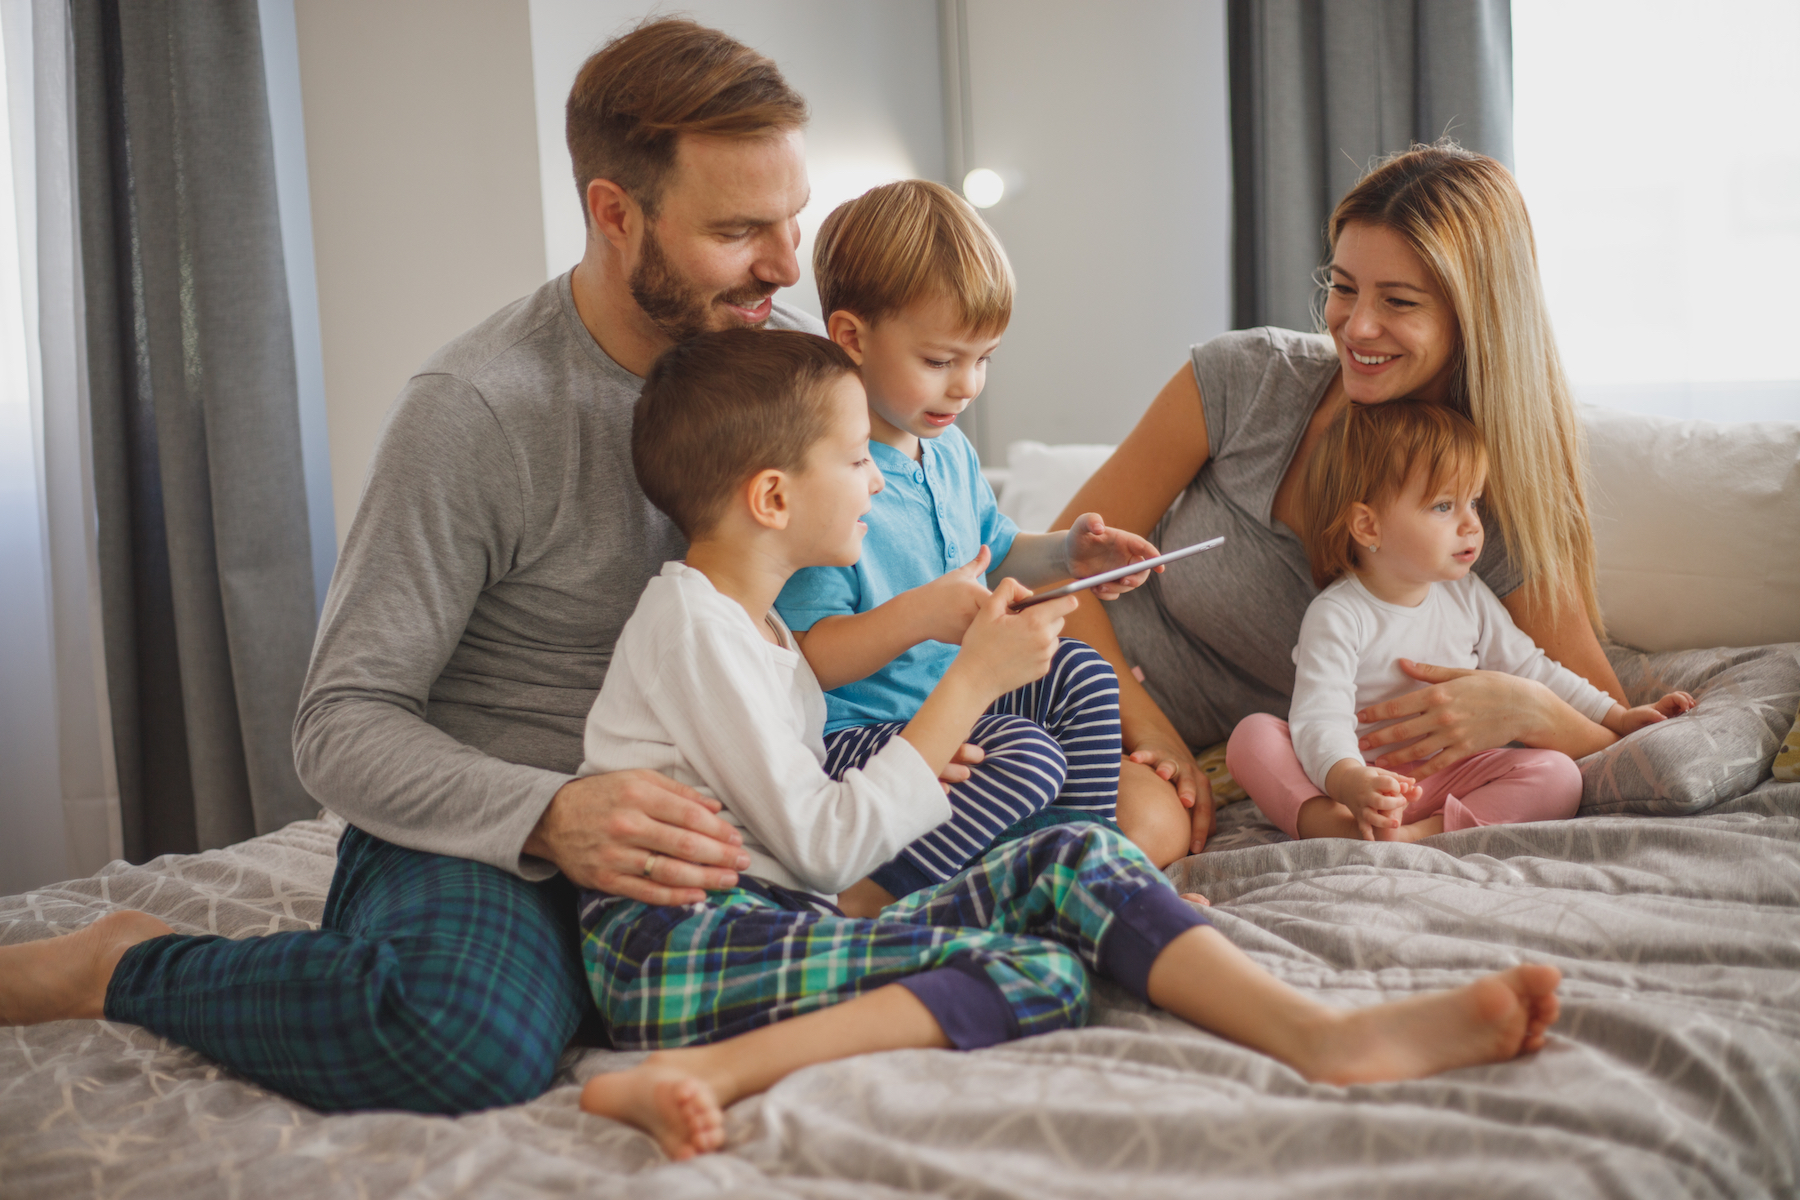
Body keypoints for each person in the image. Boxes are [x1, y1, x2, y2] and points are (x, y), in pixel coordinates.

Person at [0, 19, 890, 1113]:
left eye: (794, 218)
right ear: (616, 213)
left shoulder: (793, 366)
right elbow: (339, 722)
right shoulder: (478, 411)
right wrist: (553, 813)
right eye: (740, 230)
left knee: (1015, 811)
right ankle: (123, 964)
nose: (786, 265)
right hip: (498, 829)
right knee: (459, 1039)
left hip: (723, 809)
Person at [569, 326, 1565, 1162]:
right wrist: (967, 686)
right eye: (856, 457)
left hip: (774, 912)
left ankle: (1324, 1035)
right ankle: (708, 1069)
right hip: (679, 953)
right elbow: (826, 849)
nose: (876, 477)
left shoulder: (750, 626)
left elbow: (808, 826)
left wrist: (941, 639)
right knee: (1043, 965)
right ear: (774, 500)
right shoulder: (696, 632)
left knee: (1072, 879)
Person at [1054, 142, 1638, 861]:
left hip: (1204, 760)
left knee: (1142, 837)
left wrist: (1525, 707)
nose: (1356, 326)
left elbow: (1615, 731)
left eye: (1399, 301)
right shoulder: (1246, 381)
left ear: (1476, 317)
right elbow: (1060, 568)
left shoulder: (1486, 508)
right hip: (1087, 683)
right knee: (1137, 829)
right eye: (1343, 287)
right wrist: (1151, 732)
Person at [773, 181, 1167, 910]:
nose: (967, 386)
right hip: (858, 734)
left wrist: (1070, 557)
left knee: (1083, 674)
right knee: (1026, 756)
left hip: (953, 697)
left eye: (984, 359)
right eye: (939, 360)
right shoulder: (827, 478)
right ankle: (867, 902)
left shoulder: (948, 450)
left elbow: (994, 551)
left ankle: (1083, 865)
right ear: (853, 337)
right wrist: (920, 615)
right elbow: (806, 661)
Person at [1227, 401, 1695, 842]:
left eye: (1473, 501)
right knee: (1252, 737)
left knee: (1558, 775)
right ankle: (1337, 826)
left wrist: (1617, 716)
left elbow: (1533, 671)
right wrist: (1351, 781)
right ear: (1368, 527)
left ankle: (1420, 836)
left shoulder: (1467, 595)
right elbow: (1319, 718)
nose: (1471, 523)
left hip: (1452, 777)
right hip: (1358, 784)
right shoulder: (1338, 615)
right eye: (1443, 506)